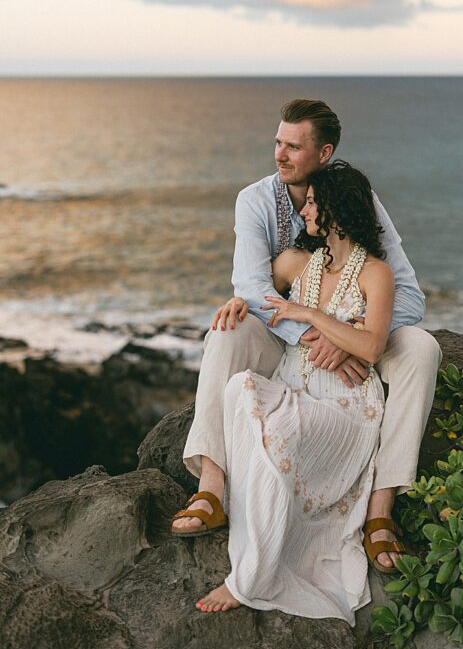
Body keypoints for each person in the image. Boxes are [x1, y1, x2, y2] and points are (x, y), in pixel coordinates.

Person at [173, 99, 441, 578]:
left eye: (293, 146)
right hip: (285, 333)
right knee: (226, 333)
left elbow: (410, 297)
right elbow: (253, 286)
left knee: (423, 347)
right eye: (278, 142)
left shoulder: (356, 200)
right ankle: (212, 488)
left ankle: (382, 508)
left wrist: (350, 335)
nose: (279, 154)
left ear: (324, 152)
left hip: (357, 335)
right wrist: (317, 337)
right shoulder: (254, 200)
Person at [191, 161, 394, 618]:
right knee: (240, 389)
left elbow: (373, 346)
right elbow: (259, 296)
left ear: (335, 212)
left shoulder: (375, 274)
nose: (304, 212)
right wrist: (239, 301)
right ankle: (222, 493)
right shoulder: (295, 263)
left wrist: (313, 317)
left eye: (313, 205)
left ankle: (250, 577)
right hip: (293, 388)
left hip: (346, 408)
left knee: (279, 433)